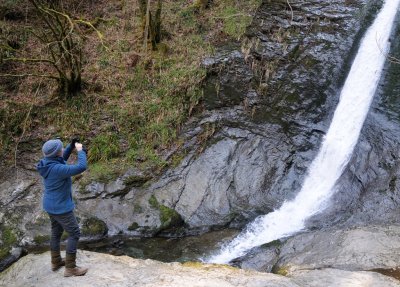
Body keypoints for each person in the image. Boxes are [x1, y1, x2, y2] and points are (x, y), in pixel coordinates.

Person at [36, 138, 88, 277]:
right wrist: (81, 151)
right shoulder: (58, 169)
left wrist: (71, 146)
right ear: (57, 153)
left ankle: (56, 261)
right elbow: (81, 167)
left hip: (50, 205)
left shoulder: (47, 163)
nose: (63, 150)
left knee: (56, 232)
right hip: (61, 208)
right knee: (74, 233)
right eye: (61, 149)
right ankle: (70, 268)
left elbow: (61, 159)